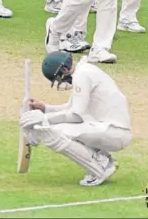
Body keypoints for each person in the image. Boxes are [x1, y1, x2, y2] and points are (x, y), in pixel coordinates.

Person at [19, 51, 132, 187]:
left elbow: (76, 116)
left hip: (114, 132)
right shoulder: (84, 71)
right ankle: (102, 160)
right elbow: (72, 108)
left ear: (64, 69)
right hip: (108, 129)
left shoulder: (82, 75)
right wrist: (45, 108)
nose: (61, 81)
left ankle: (99, 170)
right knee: (55, 128)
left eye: (59, 77)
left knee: (54, 132)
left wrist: (43, 119)